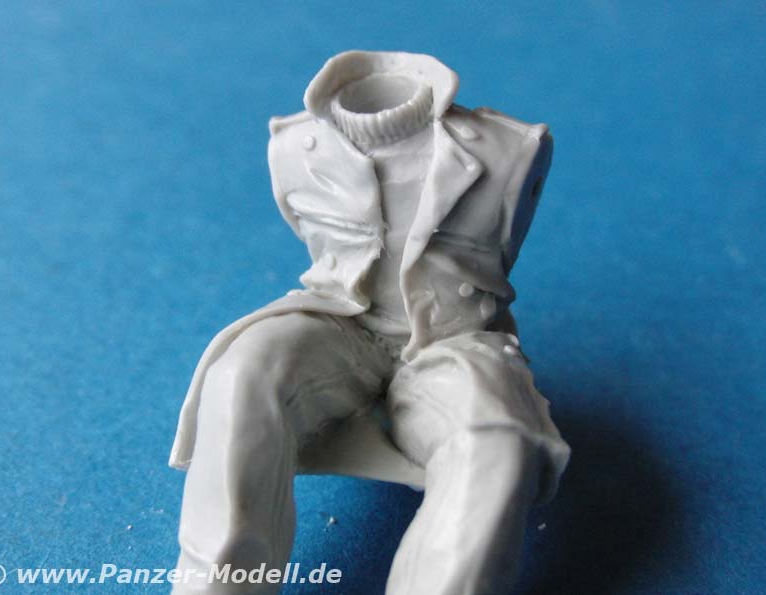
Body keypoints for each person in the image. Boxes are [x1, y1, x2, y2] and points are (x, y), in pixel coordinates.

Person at [169, 50, 570, 595]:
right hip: (339, 326)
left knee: (496, 440)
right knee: (242, 373)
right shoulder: (294, 146)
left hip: (454, 341)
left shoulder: (509, 148)